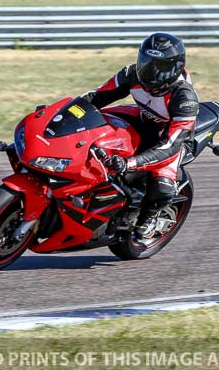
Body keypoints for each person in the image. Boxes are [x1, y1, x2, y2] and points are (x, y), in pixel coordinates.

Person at [81, 32, 199, 238]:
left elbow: (170, 145)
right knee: (95, 125)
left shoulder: (184, 98)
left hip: (171, 139)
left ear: (174, 68)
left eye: (158, 67)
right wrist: (62, 110)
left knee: (162, 186)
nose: (148, 71)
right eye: (146, 62)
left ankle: (150, 217)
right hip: (145, 118)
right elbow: (96, 96)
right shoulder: (132, 73)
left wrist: (130, 163)